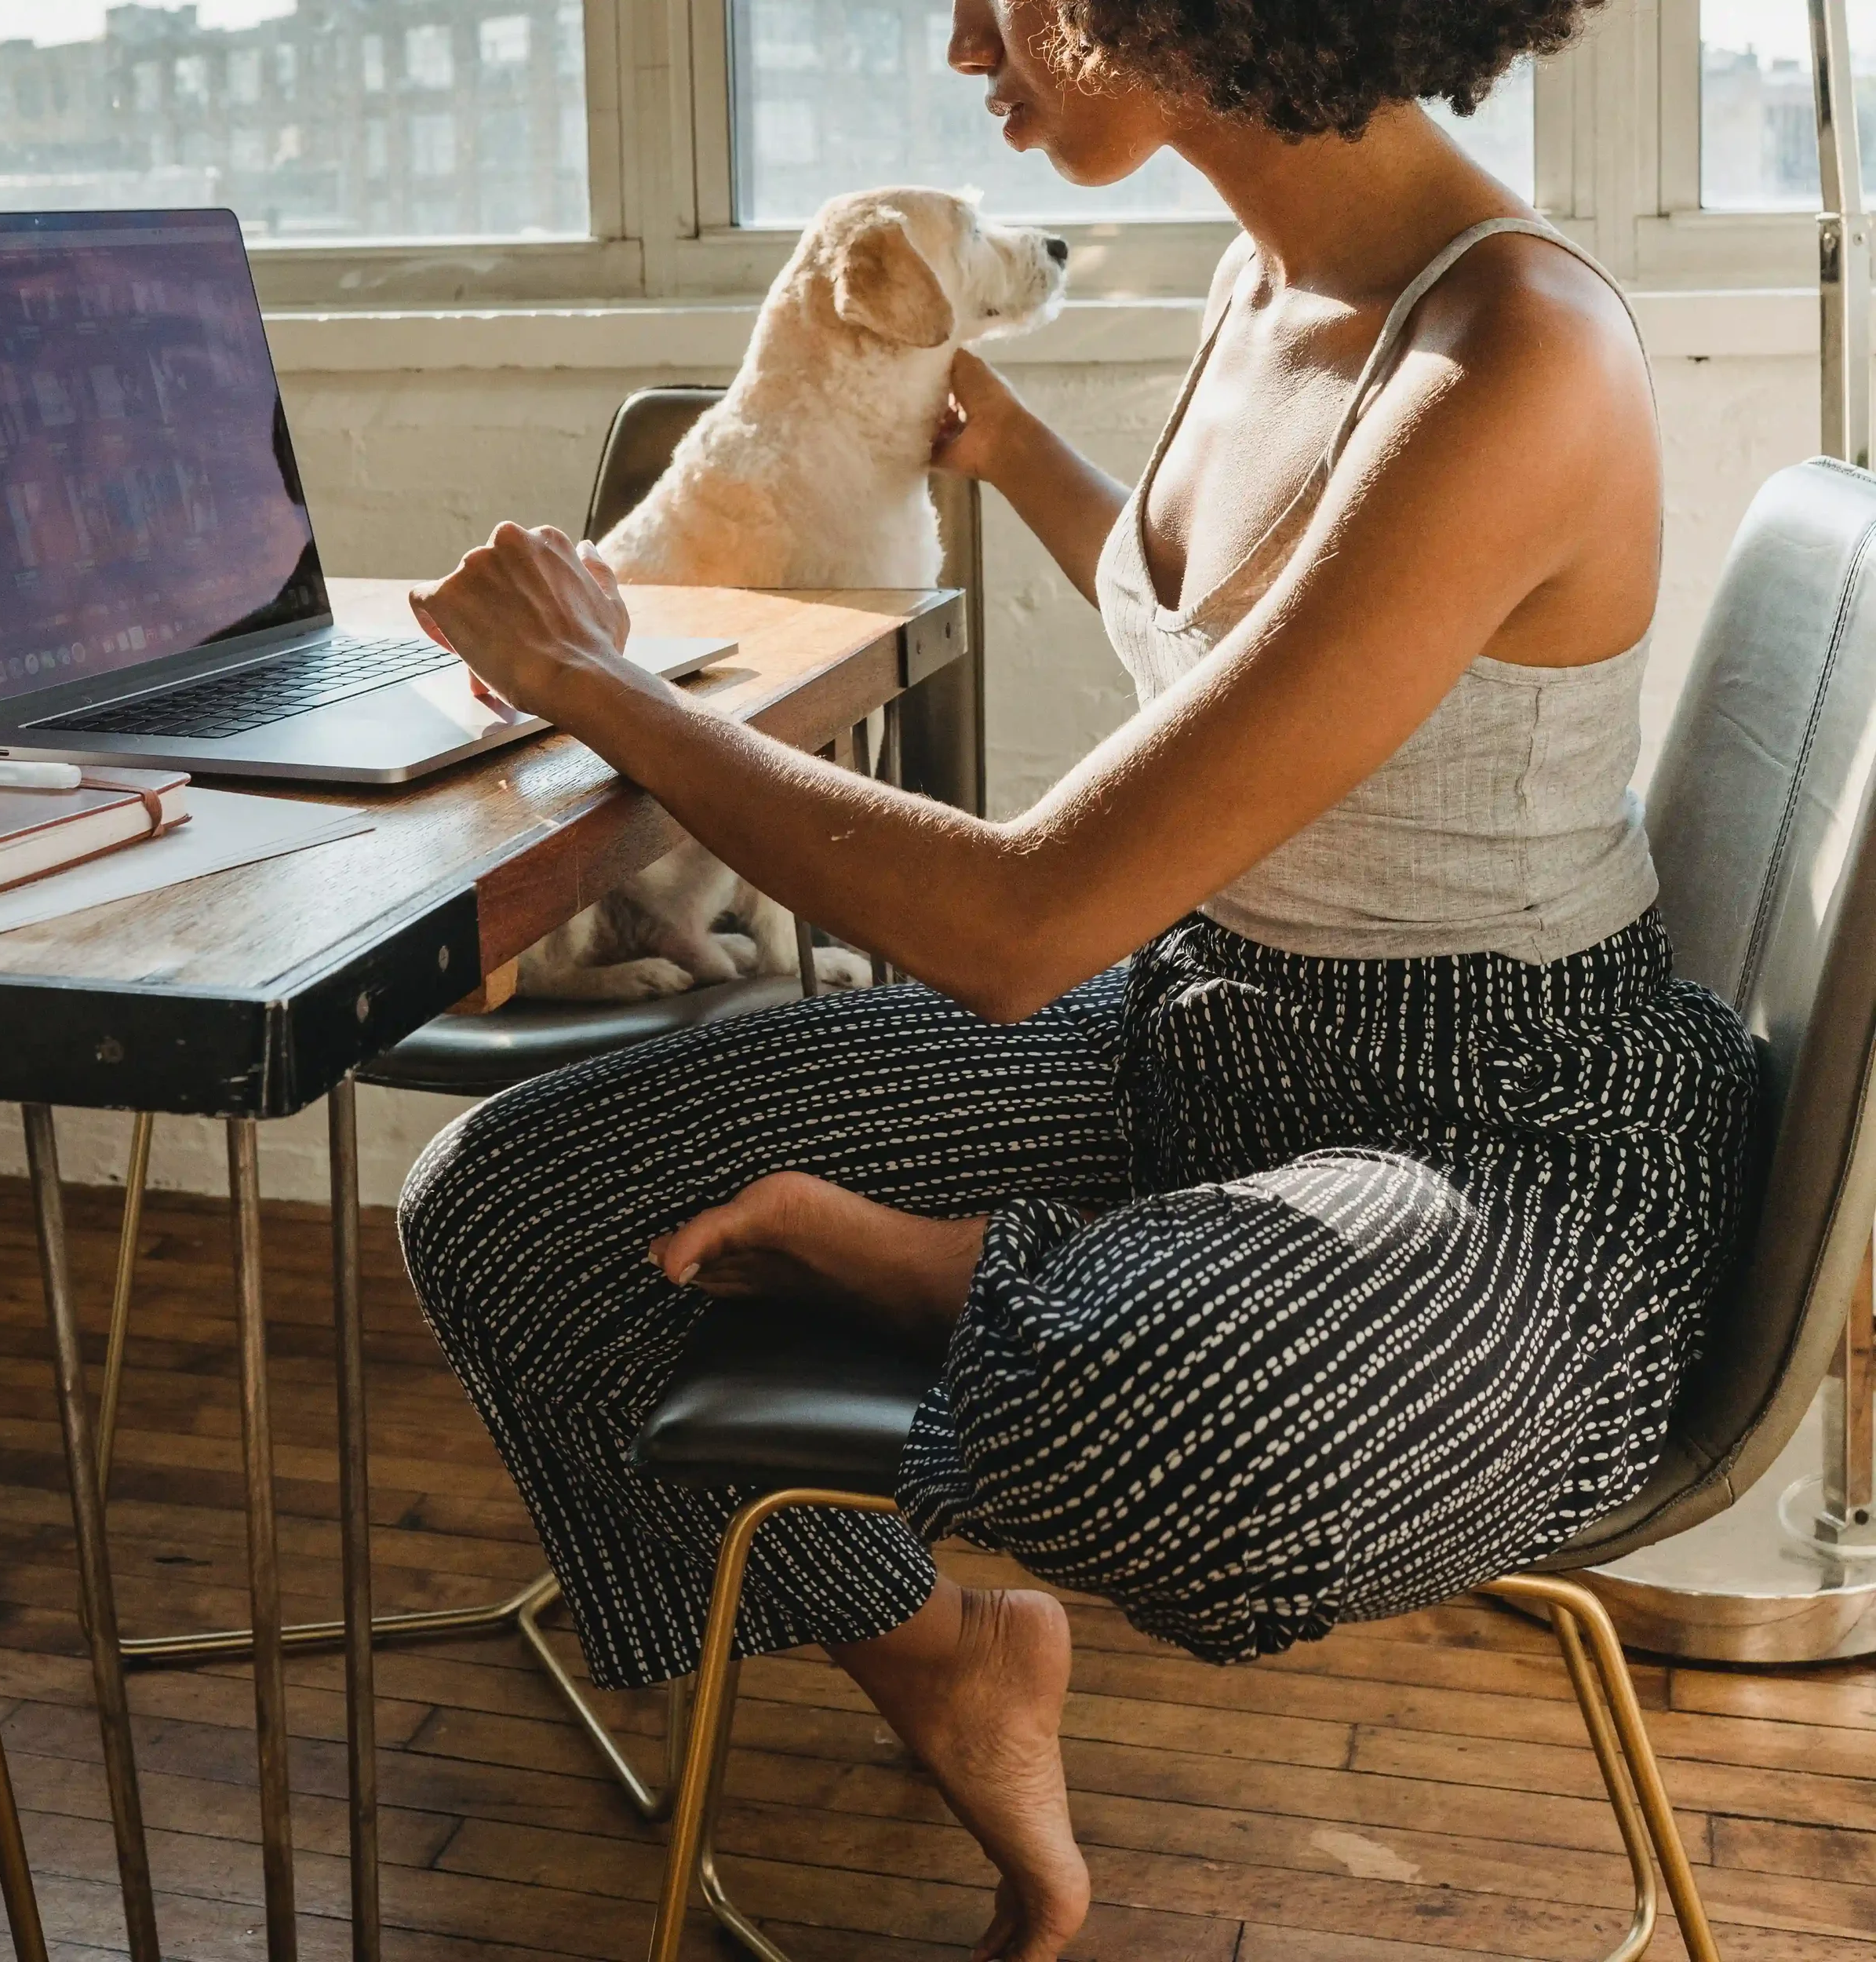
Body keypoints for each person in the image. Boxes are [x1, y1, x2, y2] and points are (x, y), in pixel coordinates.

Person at [397, 3, 1758, 1956]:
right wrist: (1015, 447)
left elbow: (1026, 924)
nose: (961, 38)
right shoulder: (1262, 275)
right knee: (511, 1207)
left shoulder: (1513, 353)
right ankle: (945, 1652)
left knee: (1194, 1401)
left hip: (1506, 1125)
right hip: (1208, 1032)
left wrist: (591, 682)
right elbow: (1237, 629)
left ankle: (942, 1259)